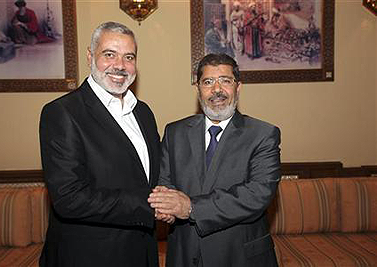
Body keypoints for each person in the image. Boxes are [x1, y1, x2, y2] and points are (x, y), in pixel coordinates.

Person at [39, 21, 160, 267]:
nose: (120, 65)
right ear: (89, 56)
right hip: (88, 256)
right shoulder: (62, 112)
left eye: (129, 57)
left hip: (142, 251)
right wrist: (151, 204)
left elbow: (154, 174)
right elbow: (69, 198)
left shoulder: (143, 112)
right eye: (109, 54)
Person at [148, 53, 281, 267]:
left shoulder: (263, 134)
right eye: (208, 82)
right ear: (198, 89)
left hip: (240, 257)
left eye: (225, 81)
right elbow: (165, 182)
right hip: (185, 254)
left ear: (238, 88)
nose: (216, 90)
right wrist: (165, 208)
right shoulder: (175, 132)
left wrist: (191, 208)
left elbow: (258, 194)